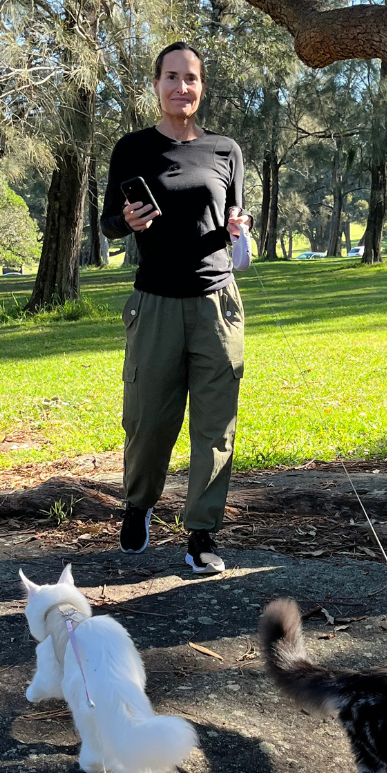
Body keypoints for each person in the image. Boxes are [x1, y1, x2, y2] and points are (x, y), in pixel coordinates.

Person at [101, 41, 251, 574]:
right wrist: (129, 222)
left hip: (217, 304)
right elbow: (108, 223)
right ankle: (138, 506)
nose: (180, 87)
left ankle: (201, 534)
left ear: (201, 86)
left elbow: (235, 215)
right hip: (155, 304)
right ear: (157, 84)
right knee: (147, 419)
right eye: (171, 77)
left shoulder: (224, 149)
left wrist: (240, 227)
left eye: (190, 78)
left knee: (216, 425)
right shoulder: (133, 148)